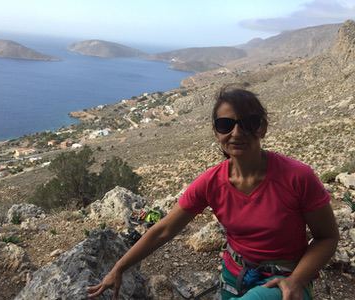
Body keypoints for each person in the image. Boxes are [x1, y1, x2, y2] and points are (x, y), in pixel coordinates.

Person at [88, 87, 339, 300]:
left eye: (248, 123)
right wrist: (119, 268)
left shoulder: (297, 177)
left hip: (284, 280)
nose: (236, 133)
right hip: (234, 276)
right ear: (216, 131)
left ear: (262, 128)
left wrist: (297, 280)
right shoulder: (211, 182)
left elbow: (327, 237)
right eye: (225, 124)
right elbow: (164, 230)